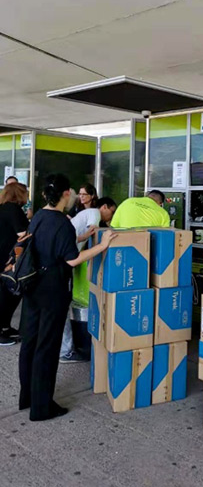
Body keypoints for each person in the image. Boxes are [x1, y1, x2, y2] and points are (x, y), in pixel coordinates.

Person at [19, 174, 117, 421]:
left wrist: (82, 237)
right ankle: (42, 407)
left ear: (45, 195)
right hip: (53, 289)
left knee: (30, 342)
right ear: (66, 194)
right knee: (47, 347)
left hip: (32, 286)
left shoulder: (39, 216)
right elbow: (72, 259)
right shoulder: (62, 222)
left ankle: (27, 398)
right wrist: (102, 245)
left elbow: (53, 244)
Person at [59, 196, 117, 363]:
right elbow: (94, 232)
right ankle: (65, 351)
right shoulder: (94, 213)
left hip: (63, 262)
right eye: (111, 211)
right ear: (104, 207)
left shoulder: (84, 214)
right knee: (62, 308)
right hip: (65, 264)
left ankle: (63, 348)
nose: (111, 216)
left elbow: (82, 236)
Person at [0, 183, 29, 345]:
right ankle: (1, 330)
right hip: (5, 257)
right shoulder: (13, 209)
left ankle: (5, 327)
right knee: (8, 295)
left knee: (8, 294)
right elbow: (23, 234)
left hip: (3, 255)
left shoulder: (4, 208)